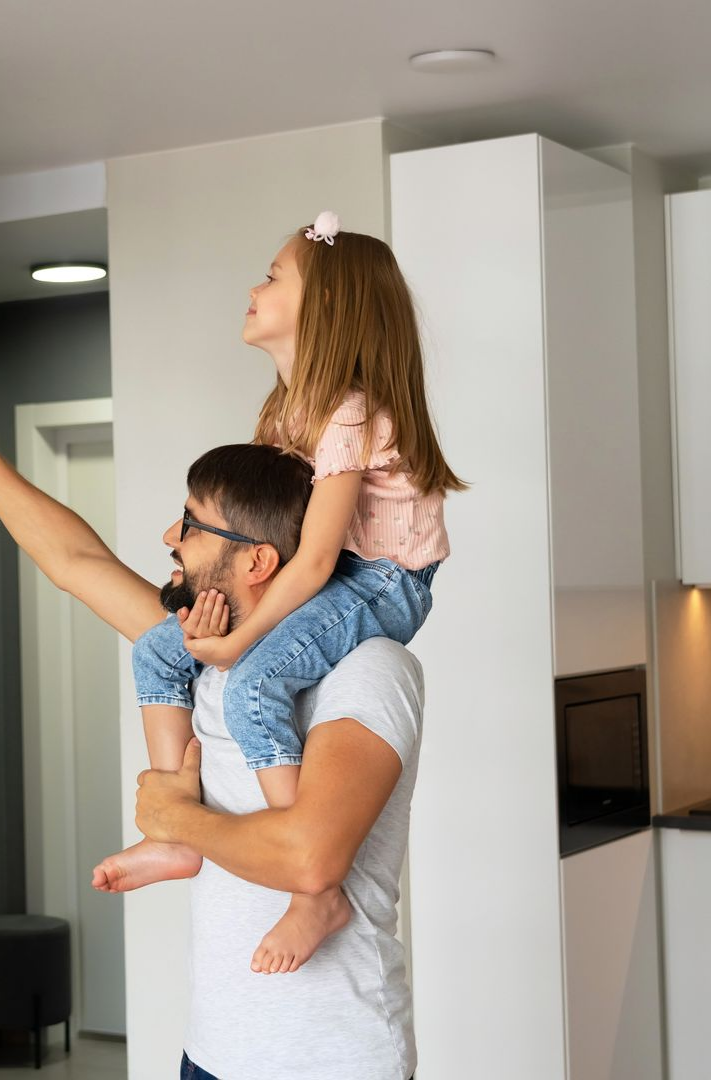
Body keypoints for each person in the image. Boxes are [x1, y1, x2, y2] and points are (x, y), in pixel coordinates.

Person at [0, 378, 422, 1080]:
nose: (171, 538)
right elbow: (76, 563)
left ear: (258, 561)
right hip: (212, 1054)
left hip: (329, 1061)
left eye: (192, 525)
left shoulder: (369, 669)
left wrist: (176, 820)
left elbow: (310, 860)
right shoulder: (211, 651)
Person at [102, 210, 463, 975]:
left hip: (383, 580)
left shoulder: (349, 413)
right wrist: (198, 556)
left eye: (273, 276)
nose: (253, 287)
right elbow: (271, 536)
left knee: (256, 679)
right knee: (162, 652)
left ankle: (314, 889)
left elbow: (314, 559)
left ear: (324, 308)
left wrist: (237, 641)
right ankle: (174, 830)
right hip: (329, 570)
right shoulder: (284, 412)